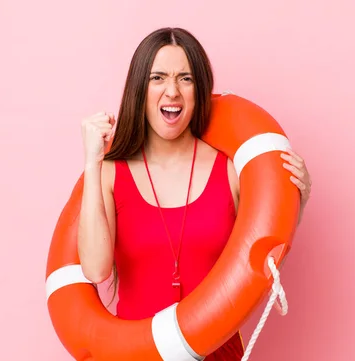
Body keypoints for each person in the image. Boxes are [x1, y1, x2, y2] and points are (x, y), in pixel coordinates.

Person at [77, 27, 312, 360]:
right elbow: (96, 270)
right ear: (139, 90)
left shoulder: (230, 171)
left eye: (185, 79)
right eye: (157, 78)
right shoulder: (111, 172)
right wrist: (91, 161)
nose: (171, 91)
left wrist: (296, 202)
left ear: (200, 89)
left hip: (220, 354)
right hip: (135, 355)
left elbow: (264, 259)